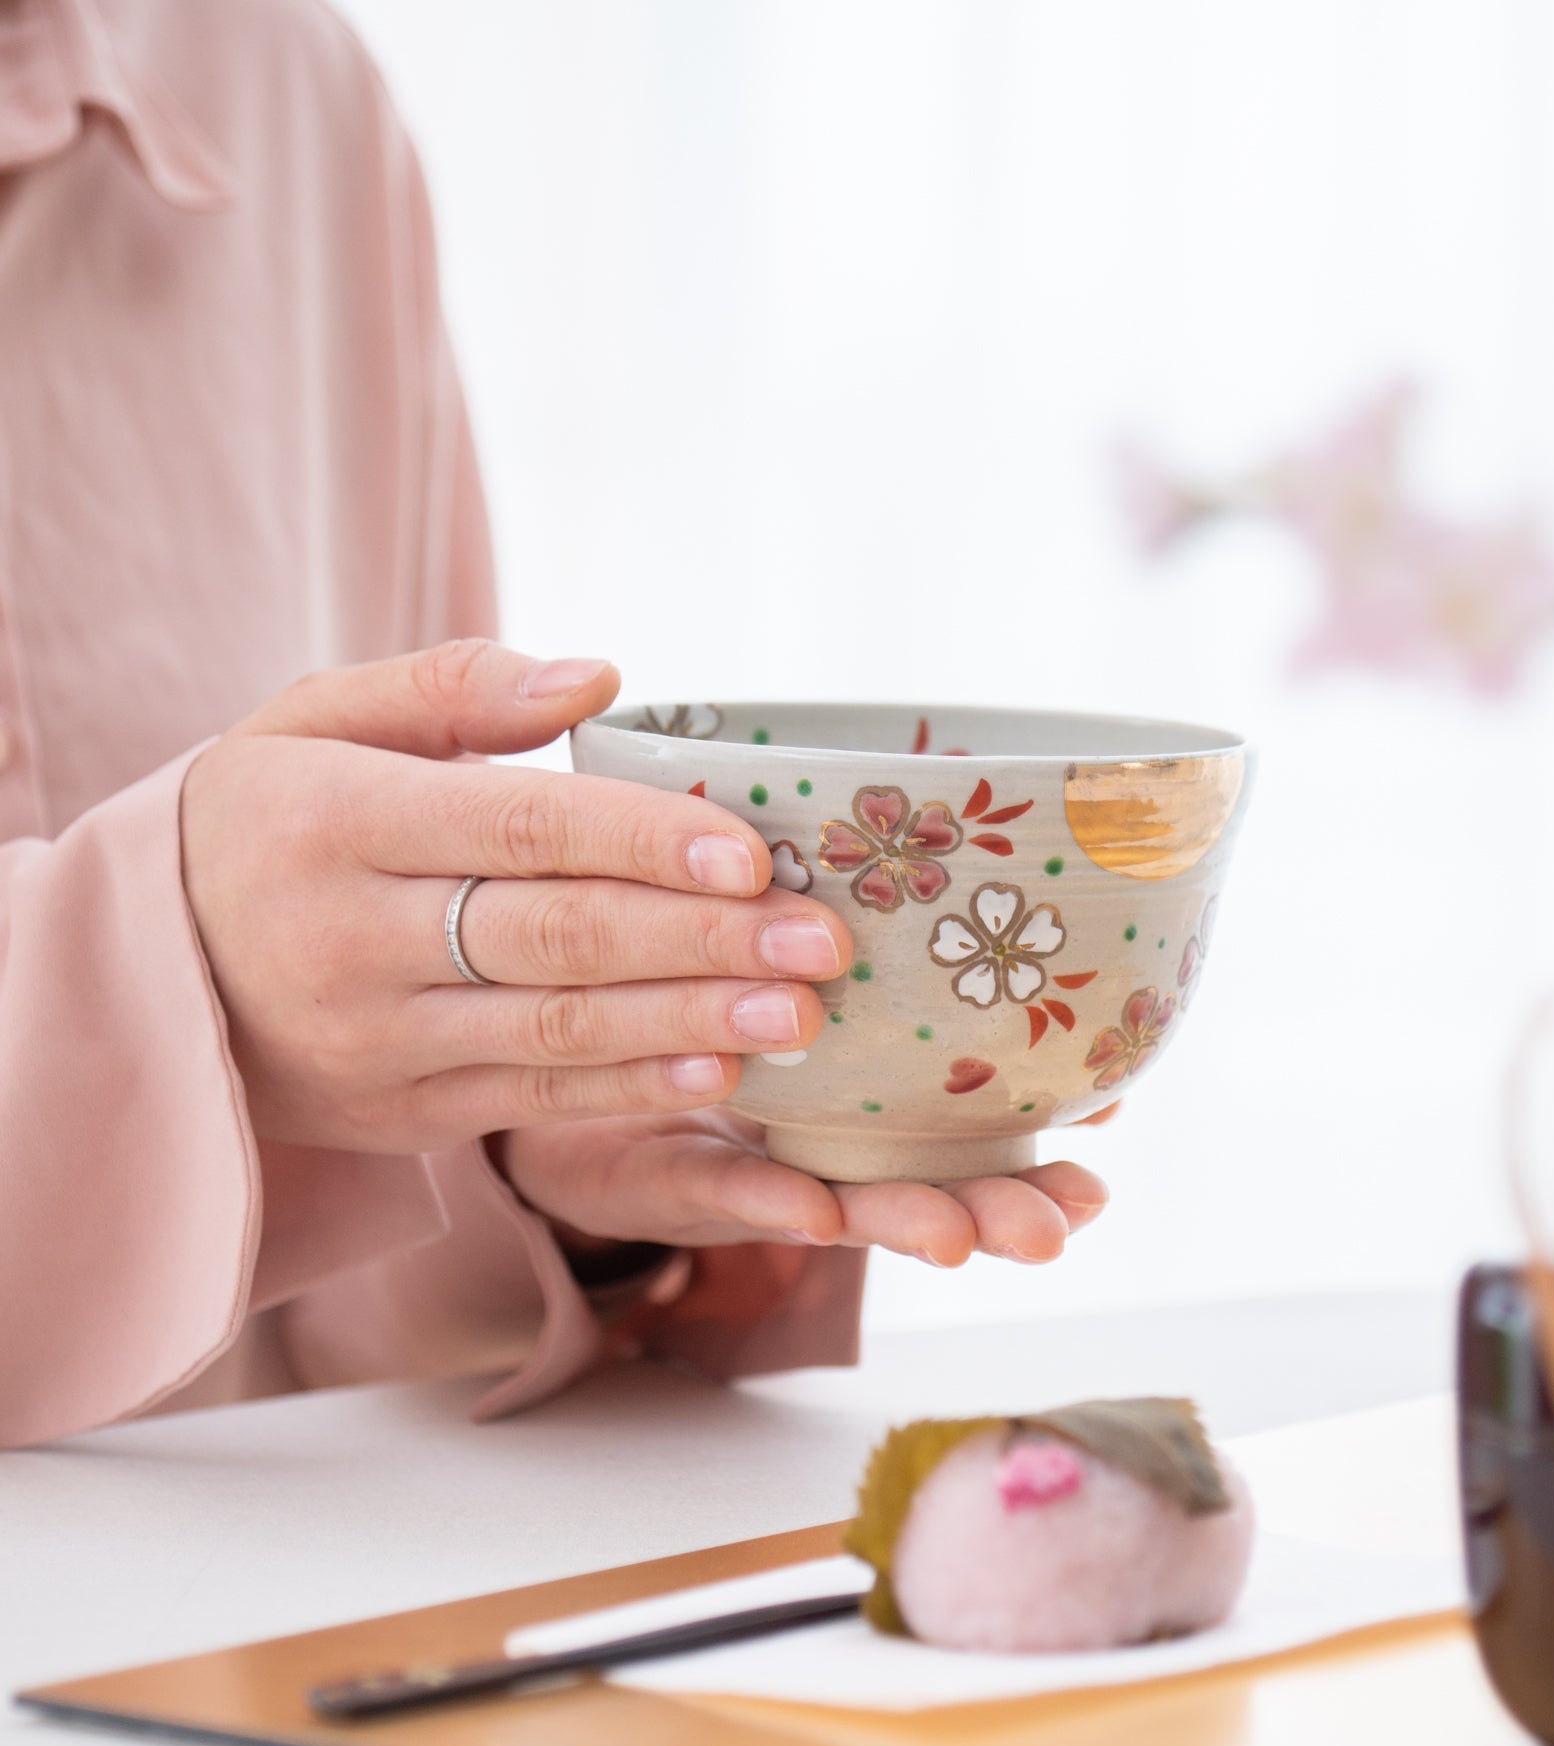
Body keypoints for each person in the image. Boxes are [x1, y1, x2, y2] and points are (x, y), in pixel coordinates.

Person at [0, 0, 1109, 1448]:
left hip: (258, 1630)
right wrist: (160, 977)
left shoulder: (276, 83)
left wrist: (521, 1123)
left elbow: (320, 1307)